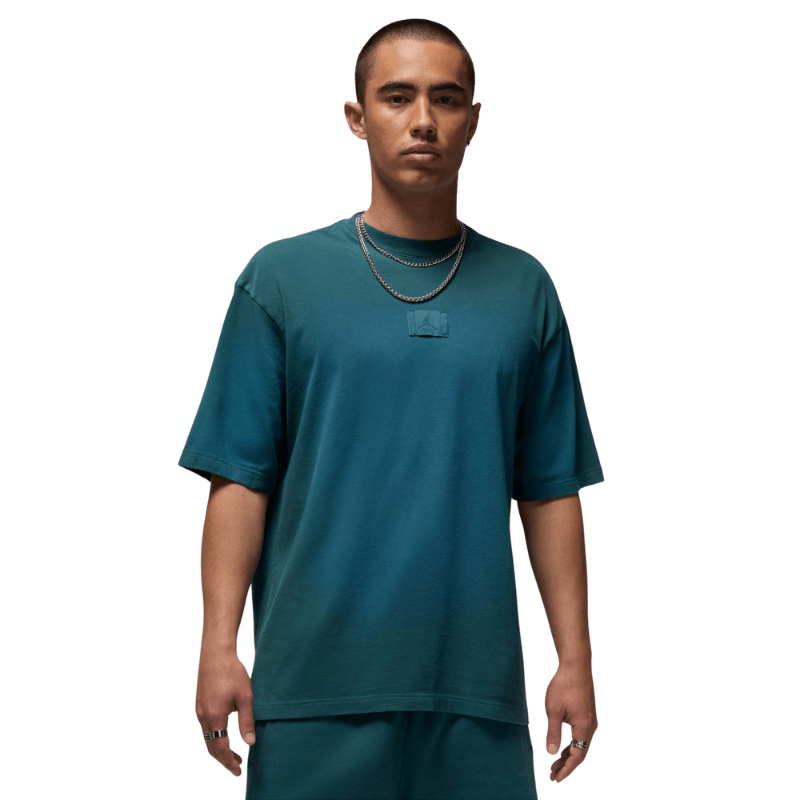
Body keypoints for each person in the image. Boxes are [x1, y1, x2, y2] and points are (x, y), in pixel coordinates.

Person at [179, 18, 604, 800]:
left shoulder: (525, 290)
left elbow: (549, 489)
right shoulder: (281, 280)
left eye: (447, 98)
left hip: (476, 699)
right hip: (311, 693)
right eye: (398, 97)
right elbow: (240, 478)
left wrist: (573, 660)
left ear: (473, 119)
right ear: (357, 116)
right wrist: (217, 646)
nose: (423, 120)